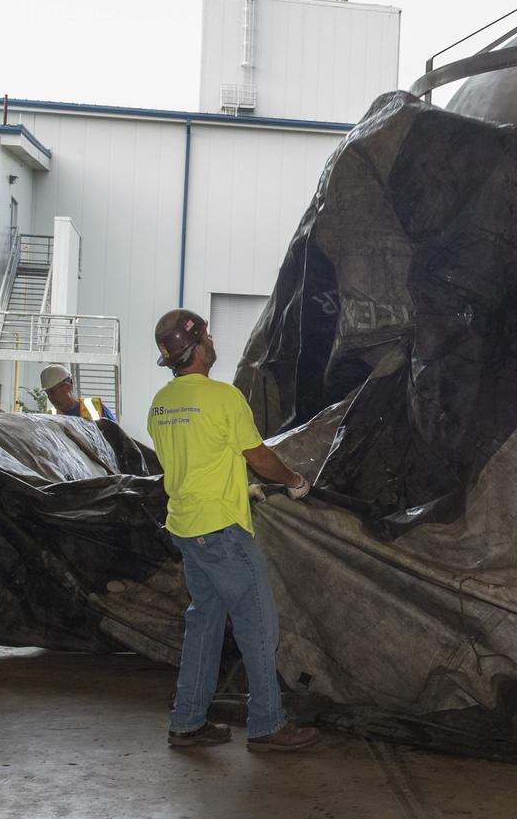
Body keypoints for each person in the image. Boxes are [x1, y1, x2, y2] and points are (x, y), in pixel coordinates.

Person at [148, 308, 319, 753]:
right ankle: (267, 724)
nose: (212, 342)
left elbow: (194, 462)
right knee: (258, 627)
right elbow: (258, 455)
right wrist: (294, 481)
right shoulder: (223, 398)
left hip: (186, 528)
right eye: (208, 336)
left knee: (203, 625)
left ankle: (187, 723)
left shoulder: (161, 403)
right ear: (200, 346)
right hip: (222, 532)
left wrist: (242, 487)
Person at [40, 364, 117, 422]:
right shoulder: (50, 417)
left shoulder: (95, 407)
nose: (51, 397)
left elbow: (118, 437)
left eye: (53, 392)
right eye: (47, 393)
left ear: (67, 386)